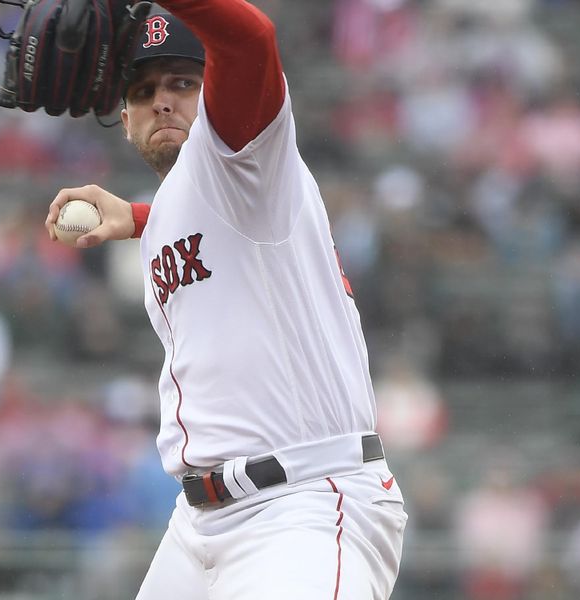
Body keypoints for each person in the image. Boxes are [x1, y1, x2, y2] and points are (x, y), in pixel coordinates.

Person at [45, 1, 407, 598]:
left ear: (214, 90)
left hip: (303, 508)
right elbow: (215, 232)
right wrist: (140, 217)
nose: (162, 99)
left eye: (183, 82)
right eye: (141, 89)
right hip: (198, 524)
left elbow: (250, 37)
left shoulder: (243, 149)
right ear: (125, 119)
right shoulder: (180, 204)